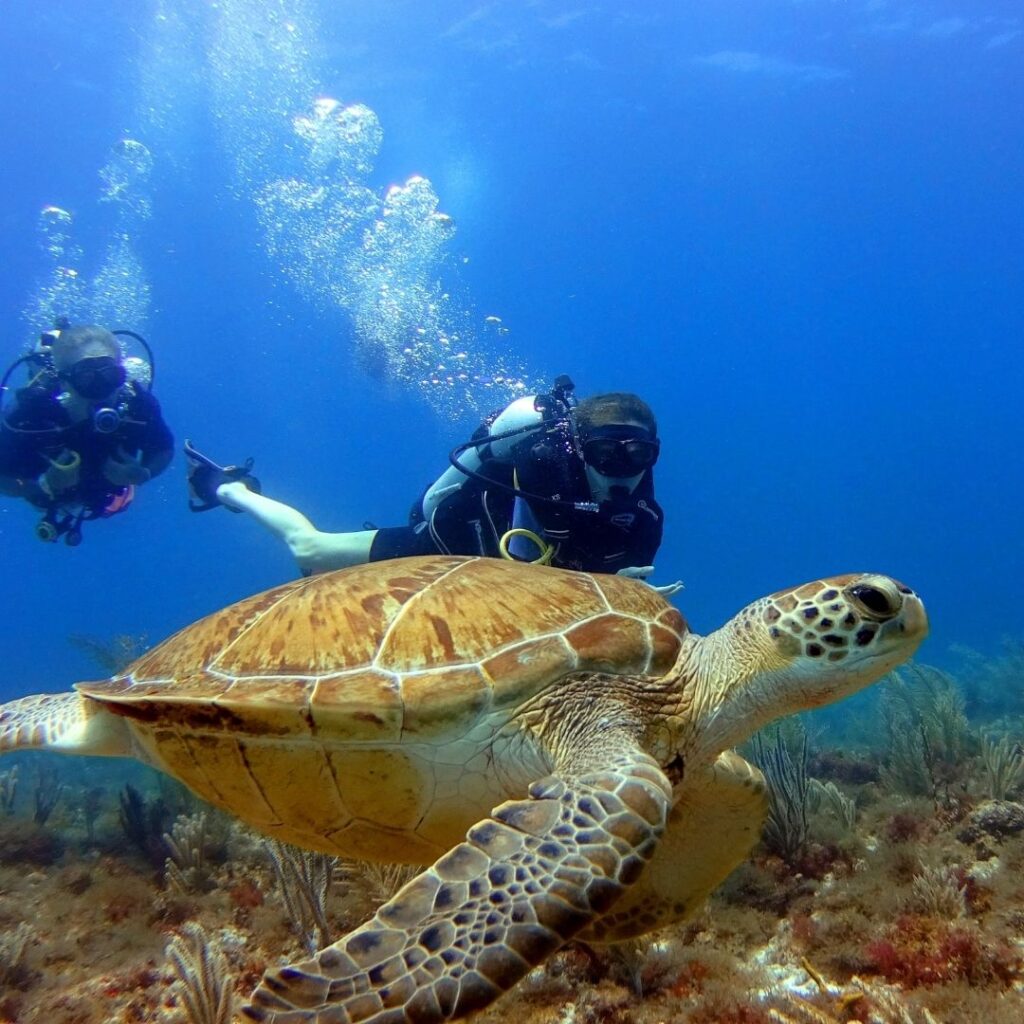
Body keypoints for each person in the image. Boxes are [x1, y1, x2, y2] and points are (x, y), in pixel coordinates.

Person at [186, 377, 678, 587]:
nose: (621, 469)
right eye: (605, 453)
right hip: (446, 545)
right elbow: (527, 581)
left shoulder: (644, 520)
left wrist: (630, 599)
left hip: (512, 588)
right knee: (311, 551)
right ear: (578, 449)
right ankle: (229, 489)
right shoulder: (540, 468)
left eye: (638, 455)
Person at [0, 322, 174, 545]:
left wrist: (144, 474)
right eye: (87, 378)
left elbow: (164, 448)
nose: (102, 388)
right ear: (64, 381)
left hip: (107, 494)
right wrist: (44, 485)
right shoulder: (32, 413)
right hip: (49, 497)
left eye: (111, 374)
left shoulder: (137, 405)